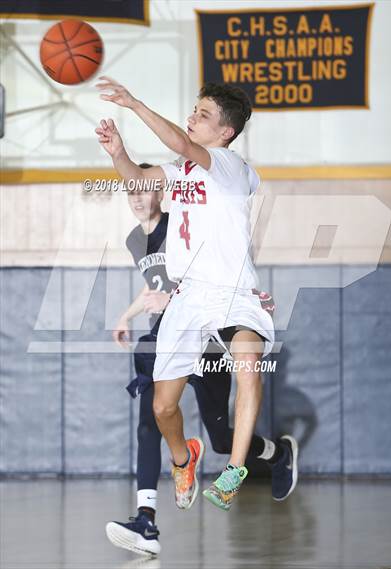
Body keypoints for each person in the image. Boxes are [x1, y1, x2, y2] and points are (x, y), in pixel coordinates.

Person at [95, 76, 299, 514]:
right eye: (194, 110)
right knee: (163, 407)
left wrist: (133, 103)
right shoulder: (180, 172)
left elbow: (183, 144)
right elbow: (137, 180)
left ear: (225, 132)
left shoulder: (228, 165)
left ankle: (235, 472)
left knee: (249, 372)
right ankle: (183, 459)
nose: (192, 118)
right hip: (188, 298)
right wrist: (119, 154)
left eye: (202, 115)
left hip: (234, 292)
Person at [104, 164, 297, 556]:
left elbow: (206, 276)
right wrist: (127, 314)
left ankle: (278, 454)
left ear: (162, 191)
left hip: (204, 333)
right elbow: (155, 285)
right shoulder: (133, 240)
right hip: (167, 336)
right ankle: (146, 522)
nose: (138, 197)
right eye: (131, 192)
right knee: (150, 419)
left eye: (145, 189)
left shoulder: (182, 224)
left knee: (222, 438)